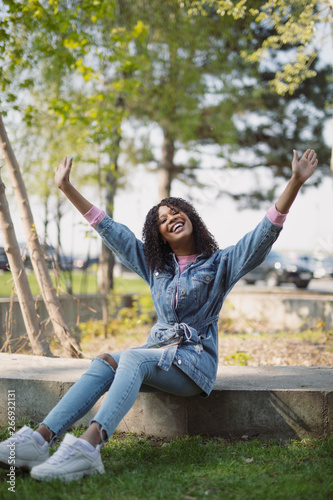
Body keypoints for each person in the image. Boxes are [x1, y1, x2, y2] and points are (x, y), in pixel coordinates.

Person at [0, 149, 318, 482]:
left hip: (194, 365)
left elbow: (262, 235)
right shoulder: (156, 266)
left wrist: (295, 181)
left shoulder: (221, 262)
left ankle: (88, 448)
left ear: (191, 217)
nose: (171, 219)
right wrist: (66, 188)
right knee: (106, 360)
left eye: (176, 212)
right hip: (160, 356)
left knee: (133, 358)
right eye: (163, 221)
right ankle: (39, 440)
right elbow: (112, 231)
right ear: (160, 236)